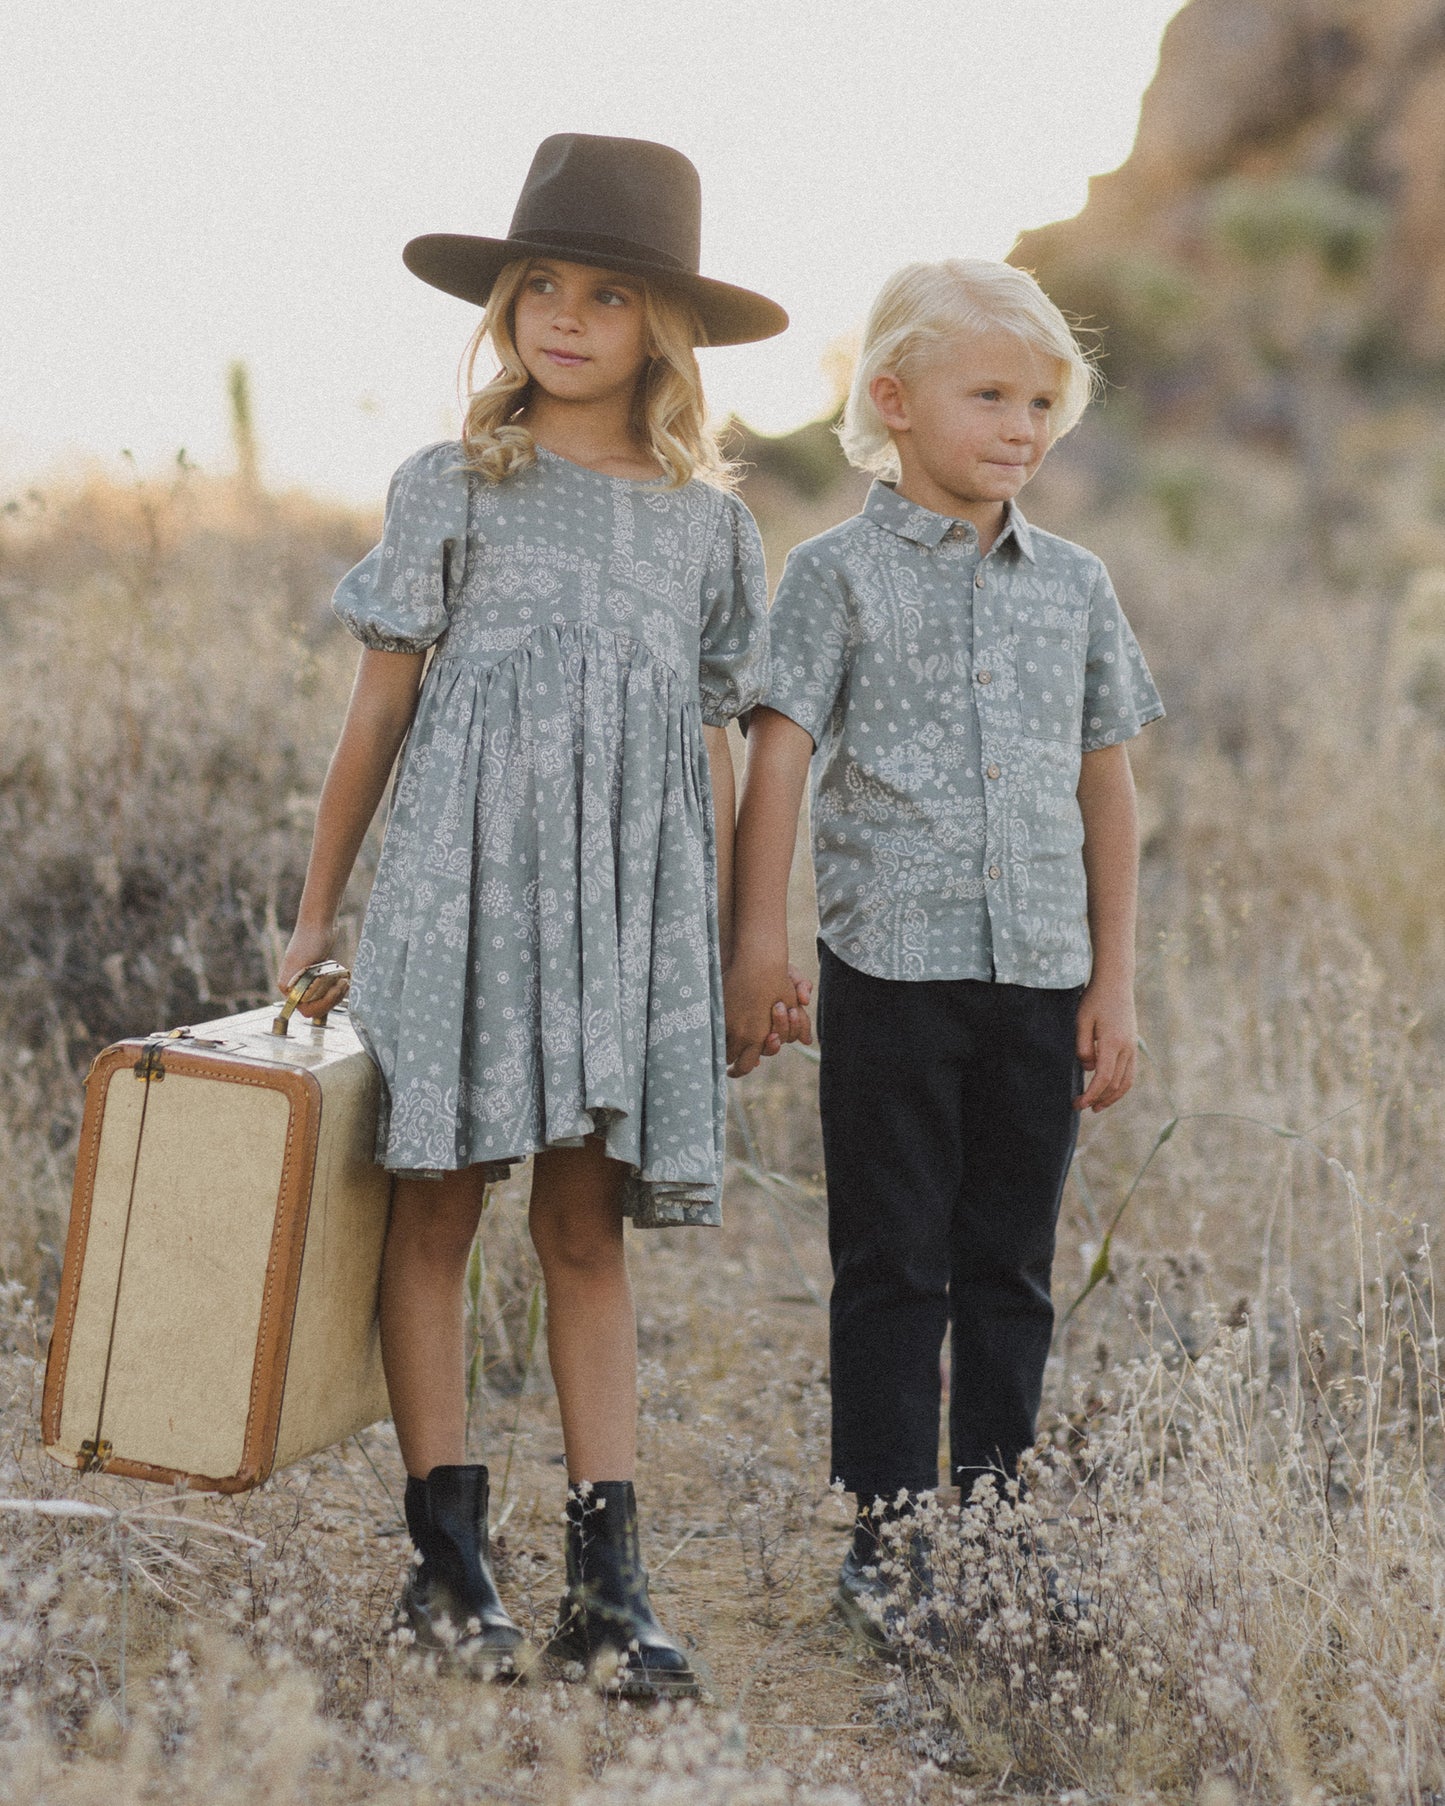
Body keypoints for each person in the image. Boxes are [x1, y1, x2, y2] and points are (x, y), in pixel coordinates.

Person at [280, 134, 804, 1695]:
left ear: (662, 328)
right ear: (503, 307)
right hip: (459, 887)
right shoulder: (452, 485)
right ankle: (448, 1573)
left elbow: (716, 745)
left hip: (623, 918)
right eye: (539, 288)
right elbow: (374, 720)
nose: (565, 317)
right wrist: (314, 909)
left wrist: (723, 941)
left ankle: (609, 1584)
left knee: (584, 1225)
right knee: (432, 1208)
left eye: (608, 293)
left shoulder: (709, 530)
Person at [725, 258, 1163, 1645]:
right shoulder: (834, 577)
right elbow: (777, 756)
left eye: (1042, 400)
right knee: (892, 1258)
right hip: (888, 971)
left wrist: (1115, 979)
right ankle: (886, 1531)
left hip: (1039, 972)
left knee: (1009, 1264)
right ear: (894, 402)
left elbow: (1109, 785)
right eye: (990, 395)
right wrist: (758, 940)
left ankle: (993, 1522)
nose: (1021, 425)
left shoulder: (1075, 585)